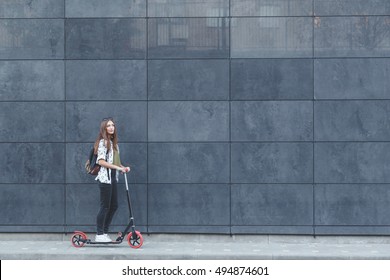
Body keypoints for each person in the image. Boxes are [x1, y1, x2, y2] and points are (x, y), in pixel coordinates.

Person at [94, 117, 130, 242]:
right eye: (108, 125)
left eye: (112, 125)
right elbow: (101, 161)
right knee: (105, 206)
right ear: (104, 128)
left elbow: (116, 162)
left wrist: (123, 167)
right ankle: (99, 234)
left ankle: (104, 232)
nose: (111, 127)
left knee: (113, 206)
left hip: (113, 178)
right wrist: (117, 168)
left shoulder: (115, 145)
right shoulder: (103, 142)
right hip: (105, 179)